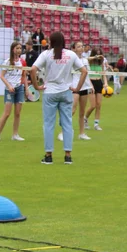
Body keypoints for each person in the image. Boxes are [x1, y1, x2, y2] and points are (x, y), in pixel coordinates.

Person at [31, 31, 87, 165]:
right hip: (66, 91)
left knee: (49, 124)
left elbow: (33, 69)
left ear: (51, 41)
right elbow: (84, 71)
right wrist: (78, 88)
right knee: (67, 123)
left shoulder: (46, 54)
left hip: (50, 92)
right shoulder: (71, 54)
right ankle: (68, 156)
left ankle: (48, 155)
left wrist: (36, 86)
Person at [0, 41, 27, 142]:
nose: (19, 50)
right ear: (13, 49)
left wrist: (26, 89)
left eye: (20, 48)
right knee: (7, 113)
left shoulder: (22, 62)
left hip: (19, 88)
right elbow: (1, 76)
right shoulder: (7, 62)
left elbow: (24, 76)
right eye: (17, 48)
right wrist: (9, 85)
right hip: (9, 89)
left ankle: (15, 134)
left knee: (17, 113)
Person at [70, 41, 95, 141]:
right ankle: (62, 132)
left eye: (82, 46)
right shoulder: (71, 60)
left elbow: (87, 74)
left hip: (84, 87)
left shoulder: (85, 60)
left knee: (81, 112)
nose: (81, 48)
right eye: (78, 46)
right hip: (75, 87)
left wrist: (91, 86)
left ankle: (81, 133)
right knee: (72, 110)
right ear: (74, 48)